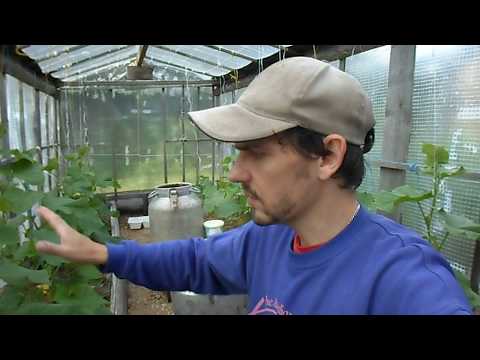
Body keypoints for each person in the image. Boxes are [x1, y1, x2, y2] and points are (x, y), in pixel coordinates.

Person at [35, 57, 472, 315]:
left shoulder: (403, 281)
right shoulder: (269, 239)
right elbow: (194, 260)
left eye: (256, 153)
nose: (234, 173)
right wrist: (104, 254)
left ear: (329, 156)